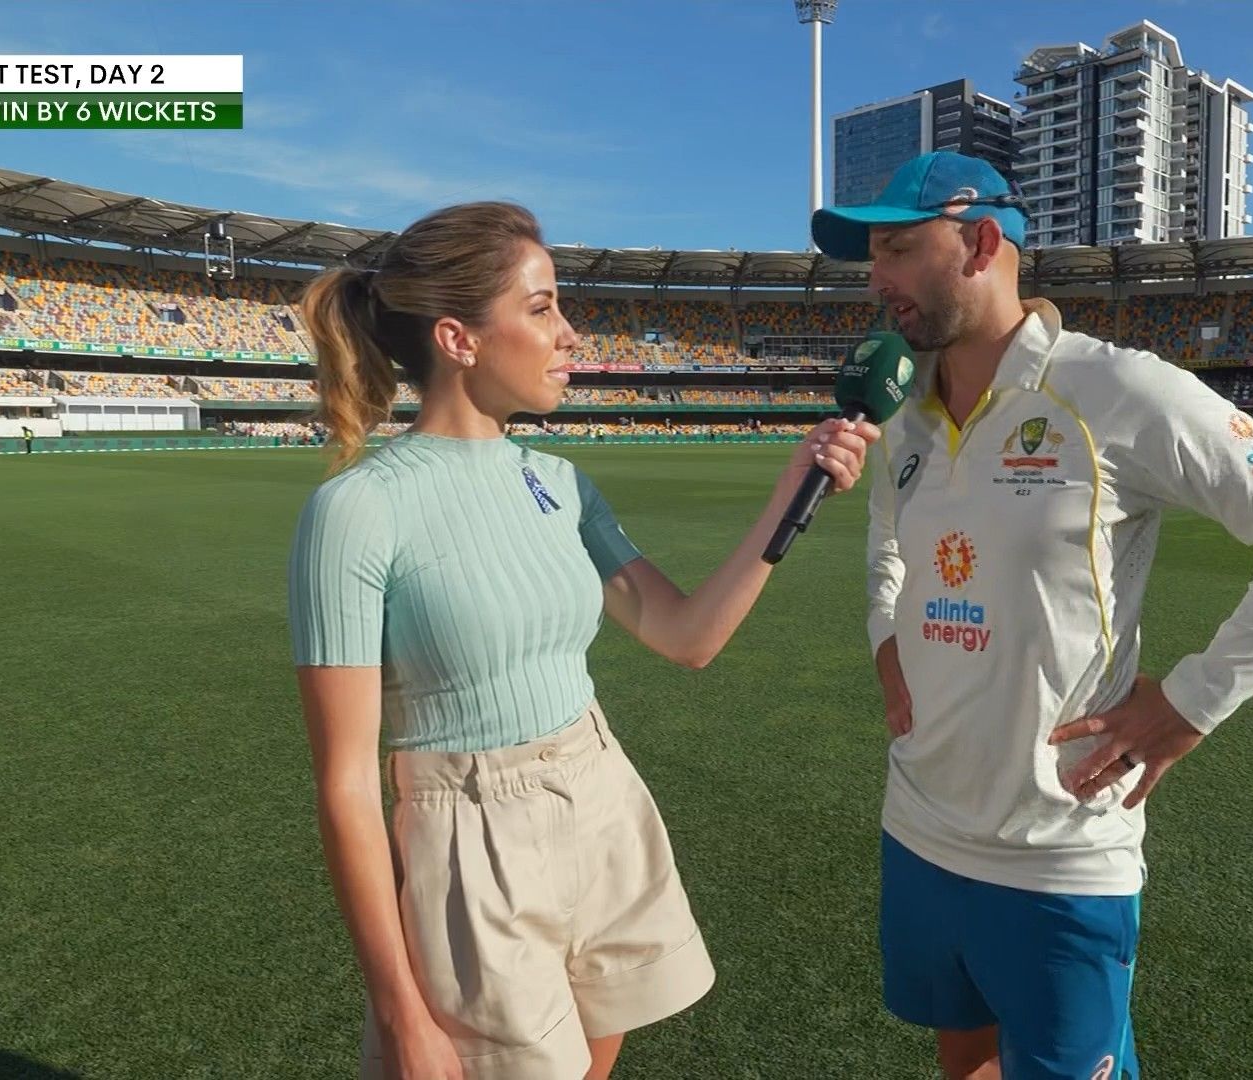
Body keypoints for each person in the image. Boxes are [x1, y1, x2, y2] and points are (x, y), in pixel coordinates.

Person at [813, 152, 1253, 1080]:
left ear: (981, 243)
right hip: (918, 826)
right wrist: (887, 636)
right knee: (964, 1065)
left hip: (1057, 854)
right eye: (872, 255)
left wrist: (1192, 702)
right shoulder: (904, 414)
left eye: (898, 249)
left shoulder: (1113, 390)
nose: (876, 279)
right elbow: (888, 541)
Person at [287, 200, 878, 1080]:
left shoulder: (560, 481)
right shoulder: (356, 510)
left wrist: (794, 489)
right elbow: (344, 786)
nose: (570, 334)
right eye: (542, 307)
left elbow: (686, 636)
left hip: (599, 788)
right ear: (458, 339)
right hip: (469, 836)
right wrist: (400, 1009)